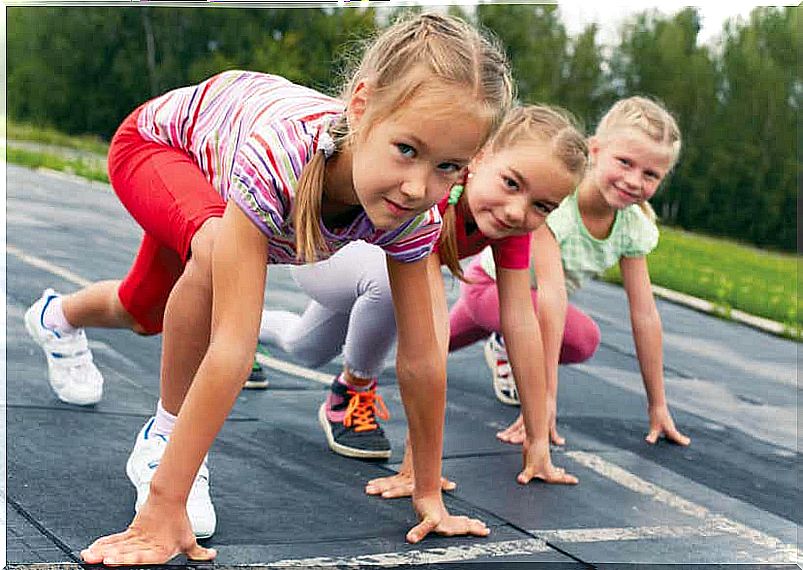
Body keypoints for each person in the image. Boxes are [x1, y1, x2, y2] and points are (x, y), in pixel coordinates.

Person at [23, 12, 515, 565]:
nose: (417, 186)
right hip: (159, 148)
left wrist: (426, 487)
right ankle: (162, 444)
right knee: (208, 252)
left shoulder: (413, 212)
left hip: (214, 172)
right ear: (360, 107)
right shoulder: (284, 158)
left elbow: (424, 358)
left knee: (143, 310)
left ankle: (55, 317)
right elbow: (234, 345)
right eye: (406, 149)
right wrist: (166, 504)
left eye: (449, 166)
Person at [260, 104, 587, 494]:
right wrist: (418, 470)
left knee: (305, 346)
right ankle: (353, 389)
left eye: (542, 206)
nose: (517, 211)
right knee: (395, 287)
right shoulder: (436, 194)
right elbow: (429, 338)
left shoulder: (512, 227)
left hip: (365, 274)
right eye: (512, 183)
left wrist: (537, 442)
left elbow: (520, 322)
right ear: (480, 158)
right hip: (324, 253)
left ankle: (249, 333)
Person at [450, 96, 691, 449]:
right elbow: (551, 294)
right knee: (424, 348)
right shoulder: (558, 202)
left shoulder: (632, 227)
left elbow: (645, 314)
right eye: (624, 162)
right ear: (595, 151)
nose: (633, 180)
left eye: (650, 174)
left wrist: (658, 405)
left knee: (581, 341)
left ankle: (502, 342)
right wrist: (544, 399)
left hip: (523, 307)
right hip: (489, 290)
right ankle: (504, 343)